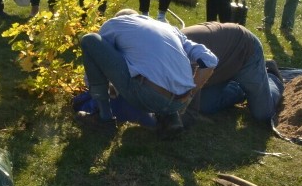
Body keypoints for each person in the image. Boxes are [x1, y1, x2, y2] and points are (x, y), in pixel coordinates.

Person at [78, 10, 218, 137]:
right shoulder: (171, 30)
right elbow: (210, 60)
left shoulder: (115, 24)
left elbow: (97, 54)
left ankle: (104, 119)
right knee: (158, 68)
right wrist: (190, 95)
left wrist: (97, 89)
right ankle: (170, 119)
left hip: (148, 96)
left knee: (90, 40)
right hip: (181, 102)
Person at [182, 22, 284, 123]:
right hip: (219, 64)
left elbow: (189, 100)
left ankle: (271, 75)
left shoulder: (181, 59)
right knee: (205, 105)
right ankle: (239, 88)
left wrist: (183, 115)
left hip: (244, 51)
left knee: (263, 113)